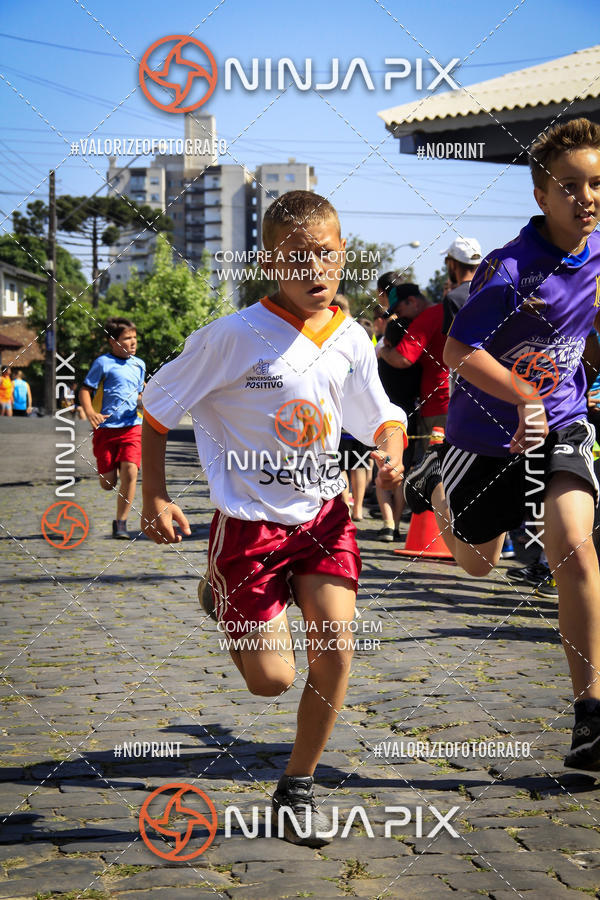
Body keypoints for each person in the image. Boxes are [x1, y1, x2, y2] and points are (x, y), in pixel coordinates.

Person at [141, 190, 407, 846]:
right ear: (267, 262)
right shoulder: (231, 338)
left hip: (322, 519)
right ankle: (222, 589)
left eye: (326, 254)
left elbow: (379, 411)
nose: (315, 268)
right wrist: (153, 496)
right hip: (249, 524)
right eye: (297, 257)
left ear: (344, 255)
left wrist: (392, 449)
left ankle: (297, 787)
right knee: (272, 682)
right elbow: (155, 406)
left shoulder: (348, 337)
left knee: (336, 648)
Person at [404, 117, 600, 772]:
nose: (586, 197)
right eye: (570, 186)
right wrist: (524, 395)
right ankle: (436, 492)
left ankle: (591, 715)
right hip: (483, 438)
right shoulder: (511, 267)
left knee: (575, 549)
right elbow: (459, 349)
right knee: (479, 565)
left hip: (562, 423)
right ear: (541, 196)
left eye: (597, 184)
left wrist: (561, 390)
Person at [79, 318, 146, 539]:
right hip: (106, 429)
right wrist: (90, 413)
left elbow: (139, 393)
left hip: (132, 427)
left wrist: (147, 399)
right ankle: (112, 468)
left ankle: (121, 523)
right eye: (127, 338)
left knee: (130, 472)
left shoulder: (139, 365)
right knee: (108, 483)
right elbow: (85, 390)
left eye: (135, 338)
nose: (133, 342)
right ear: (113, 342)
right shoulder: (103, 363)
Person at [377, 283, 449, 451]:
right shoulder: (444, 310)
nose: (400, 317)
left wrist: (383, 351)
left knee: (433, 467)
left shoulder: (425, 318)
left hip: (436, 407)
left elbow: (402, 359)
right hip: (449, 399)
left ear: (412, 301)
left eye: (399, 311)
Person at [376, 316, 421, 541]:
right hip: (409, 419)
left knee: (382, 471)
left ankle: (387, 523)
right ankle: (396, 526)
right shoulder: (416, 364)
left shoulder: (382, 360)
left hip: (384, 419)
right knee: (400, 471)